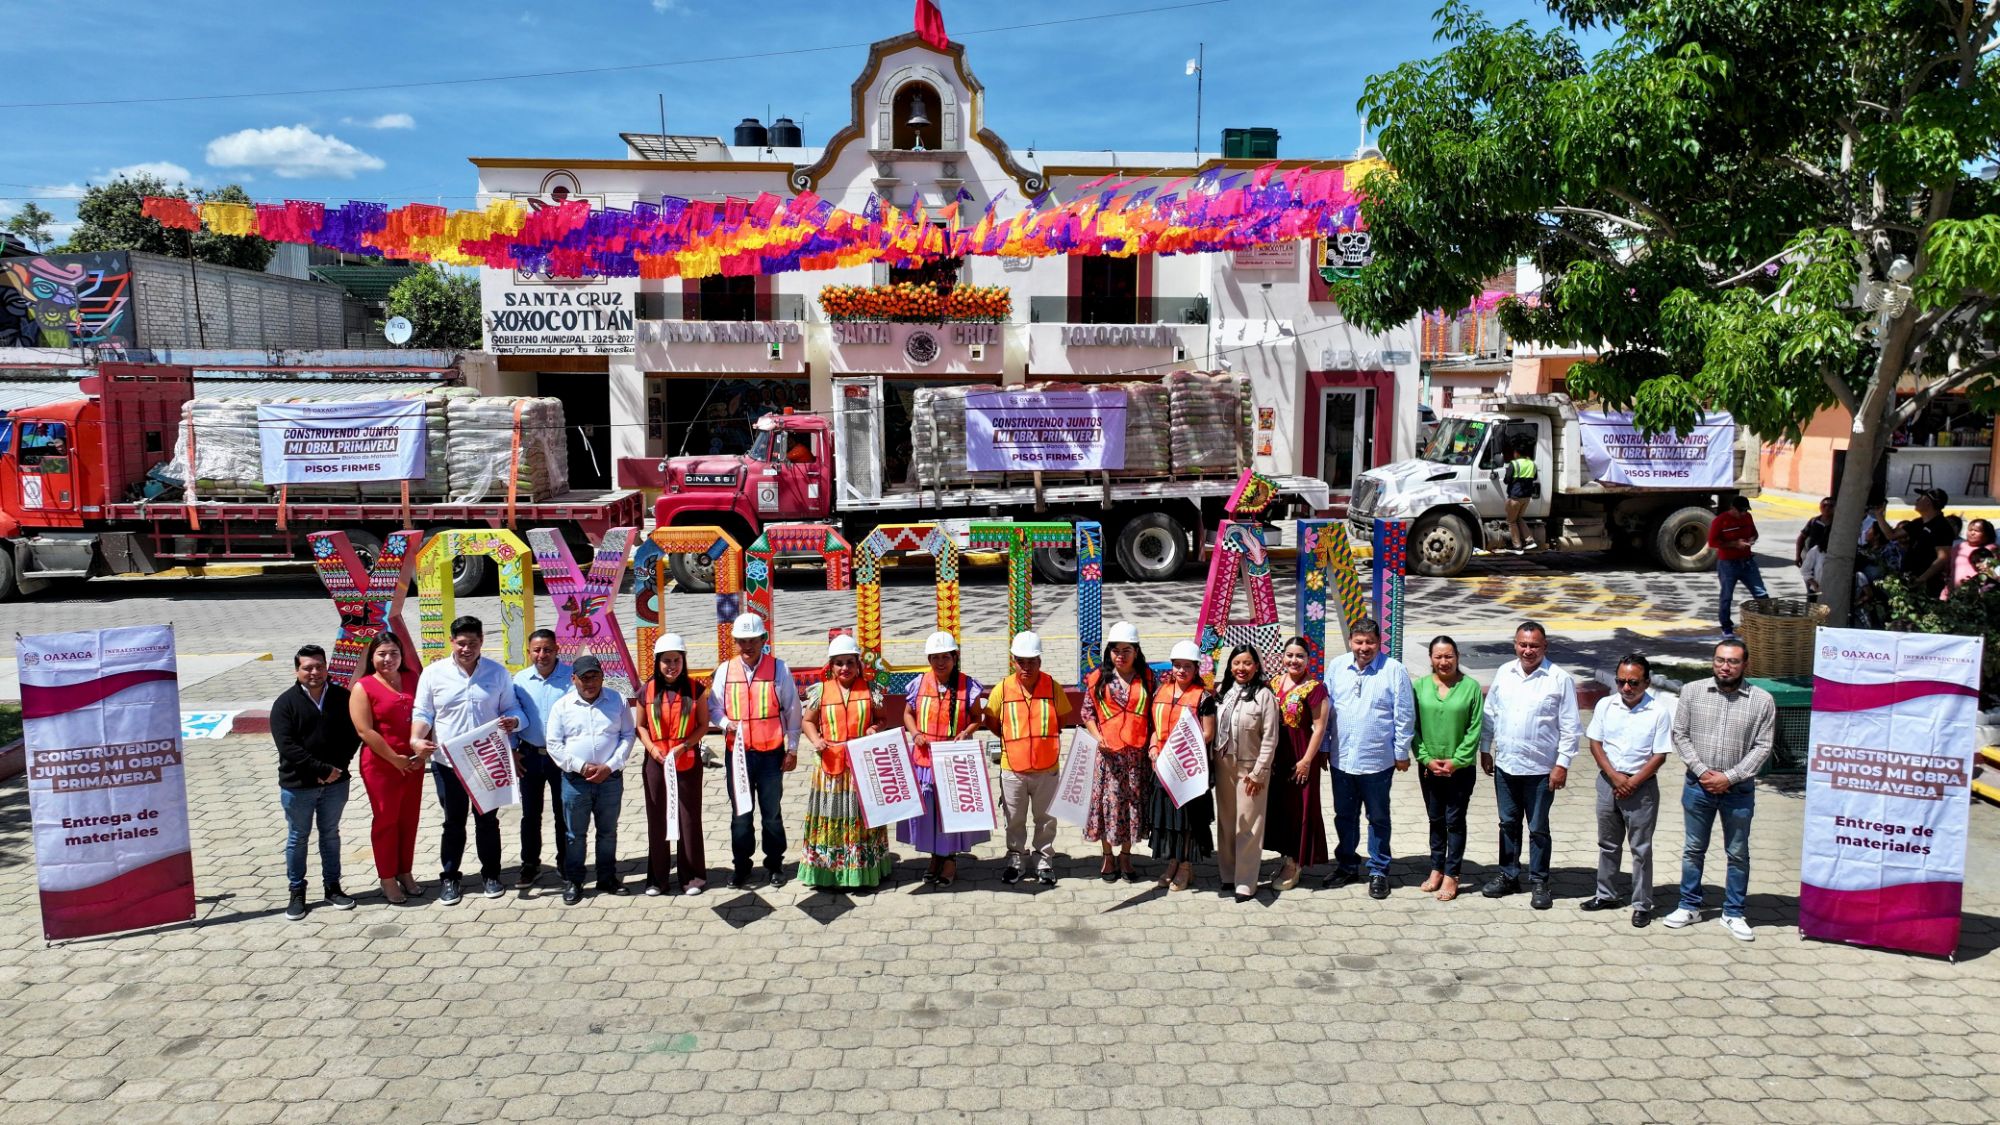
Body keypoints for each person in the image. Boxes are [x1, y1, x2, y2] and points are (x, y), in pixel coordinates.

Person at [1665, 638, 1776, 941]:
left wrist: (1729, 777)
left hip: (1738, 791)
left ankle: (1734, 913)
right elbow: (1680, 735)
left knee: (1738, 853)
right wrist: (1703, 772)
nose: (1725, 667)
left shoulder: (1762, 700)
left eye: (1733, 661)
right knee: (1693, 850)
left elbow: (1763, 746)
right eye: (1720, 660)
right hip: (1698, 786)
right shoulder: (1692, 691)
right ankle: (1689, 906)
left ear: (1745, 664)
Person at [409, 616, 525, 905]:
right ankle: (450, 877)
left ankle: (491, 875)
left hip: (486, 760)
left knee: (487, 821)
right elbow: (423, 712)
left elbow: (512, 708)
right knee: (453, 822)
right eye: (461, 643)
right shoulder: (433, 674)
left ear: (482, 641)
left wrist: (514, 721)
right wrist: (416, 739)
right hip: (447, 763)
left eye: (473, 643)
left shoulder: (497, 673)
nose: (467, 649)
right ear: (451, 642)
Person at [1479, 621, 1579, 910]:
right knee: (1508, 824)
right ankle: (1509, 875)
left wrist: (1562, 764)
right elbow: (1490, 714)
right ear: (1515, 645)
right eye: (1523, 644)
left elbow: (1571, 727)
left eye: (1534, 645)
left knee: (1538, 828)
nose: (1528, 650)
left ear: (1544, 646)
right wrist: (1485, 749)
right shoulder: (1504, 673)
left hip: (1540, 770)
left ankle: (1539, 881)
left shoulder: (1559, 679)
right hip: (1506, 766)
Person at [709, 613, 802, 890]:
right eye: (741, 641)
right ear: (735, 642)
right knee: (741, 814)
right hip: (737, 756)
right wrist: (725, 723)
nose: (747, 646)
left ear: (763, 639)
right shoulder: (725, 671)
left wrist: (792, 749)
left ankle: (775, 864)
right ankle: (741, 866)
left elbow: (793, 710)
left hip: (771, 754)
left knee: (771, 812)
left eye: (752, 640)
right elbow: (713, 707)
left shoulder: (779, 669)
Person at [1579, 654, 1673, 928]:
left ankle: (1642, 904)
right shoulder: (1605, 705)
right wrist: (1614, 776)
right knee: (1607, 843)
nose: (1626, 688)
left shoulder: (1658, 712)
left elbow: (1659, 755)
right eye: (1621, 682)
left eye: (1633, 682)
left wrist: (1632, 782)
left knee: (1640, 849)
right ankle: (1606, 894)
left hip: (1641, 787)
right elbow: (1595, 743)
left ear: (1646, 682)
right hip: (1608, 782)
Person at [1324, 620, 1415, 898]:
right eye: (1359, 642)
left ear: (1379, 642)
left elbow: (1404, 714)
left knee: (1378, 817)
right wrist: (1324, 747)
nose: (1364, 648)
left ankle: (1378, 870)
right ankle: (1347, 865)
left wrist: (1401, 752)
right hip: (1342, 758)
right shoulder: (1337, 666)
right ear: (1350, 641)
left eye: (1370, 642)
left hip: (1377, 761)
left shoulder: (1394, 670)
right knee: (1344, 816)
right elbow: (1326, 710)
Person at [270, 644, 360, 921]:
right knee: (298, 837)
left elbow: (353, 735)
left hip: (336, 782)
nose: (314, 672)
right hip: (298, 785)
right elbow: (287, 746)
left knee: (330, 834)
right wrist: (319, 769)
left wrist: (336, 769)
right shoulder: (285, 704)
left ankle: (332, 887)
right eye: (307, 667)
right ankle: (297, 891)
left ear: (326, 667)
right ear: (297, 671)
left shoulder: (342, 697)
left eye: (319, 666)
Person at [799, 636, 894, 891]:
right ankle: (828, 872)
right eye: (839, 663)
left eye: (850, 662)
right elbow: (807, 721)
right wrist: (816, 739)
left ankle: (861, 871)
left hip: (861, 766)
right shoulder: (821, 691)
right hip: (829, 767)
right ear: (831, 665)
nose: (845, 668)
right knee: (831, 815)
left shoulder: (871, 690)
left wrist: (875, 728)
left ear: (858, 664)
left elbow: (883, 719)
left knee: (860, 817)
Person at [899, 631, 989, 887]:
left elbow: (977, 718)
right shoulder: (919, 684)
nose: (940, 662)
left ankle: (949, 859)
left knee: (950, 811)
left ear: (954, 658)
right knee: (929, 813)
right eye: (935, 658)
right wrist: (915, 733)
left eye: (945, 657)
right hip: (925, 760)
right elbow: (908, 714)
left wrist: (966, 733)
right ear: (929, 659)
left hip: (952, 761)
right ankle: (934, 857)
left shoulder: (967, 686)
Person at [547, 655, 636, 904]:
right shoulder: (562, 706)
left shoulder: (616, 700)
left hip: (610, 779)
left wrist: (610, 766)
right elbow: (554, 744)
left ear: (602, 677)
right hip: (575, 781)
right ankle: (574, 881)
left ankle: (607, 878)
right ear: (573, 679)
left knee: (608, 832)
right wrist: (581, 767)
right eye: (584, 678)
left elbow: (628, 735)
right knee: (575, 834)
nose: (590, 682)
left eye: (594, 676)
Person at [985, 631, 1071, 887]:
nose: (1026, 666)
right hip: (1013, 769)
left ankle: (1044, 861)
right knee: (1014, 819)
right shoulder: (1002, 688)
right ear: (1013, 661)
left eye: (1032, 661)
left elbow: (1062, 720)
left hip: (1047, 768)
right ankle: (1016, 860)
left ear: (1040, 661)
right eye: (1021, 661)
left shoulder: (1052, 687)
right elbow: (991, 720)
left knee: (1046, 819)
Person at [349, 631, 425, 905]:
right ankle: (387, 878)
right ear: (372, 657)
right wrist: (394, 759)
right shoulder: (364, 687)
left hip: (413, 763)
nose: (388, 659)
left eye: (394, 653)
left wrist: (422, 753)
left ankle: (405, 871)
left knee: (409, 819)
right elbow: (364, 730)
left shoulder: (413, 678)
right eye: (381, 654)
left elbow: (427, 714)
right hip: (381, 765)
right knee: (386, 821)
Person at [1081, 621, 1154, 884]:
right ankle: (1107, 856)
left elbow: (1154, 713)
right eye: (1115, 650)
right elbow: (1087, 712)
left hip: (1136, 757)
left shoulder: (1147, 678)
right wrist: (1097, 736)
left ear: (1136, 651)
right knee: (1108, 806)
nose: (1120, 656)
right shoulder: (1098, 678)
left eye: (1126, 650)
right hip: (1108, 756)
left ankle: (1125, 855)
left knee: (1132, 806)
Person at [637, 633, 709, 896]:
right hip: (656, 764)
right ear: (657, 662)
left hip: (686, 762)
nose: (672, 666)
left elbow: (703, 725)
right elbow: (640, 726)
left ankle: (692, 877)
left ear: (683, 661)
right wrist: (652, 749)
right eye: (666, 661)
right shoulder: (646, 691)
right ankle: (657, 879)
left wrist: (685, 746)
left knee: (688, 818)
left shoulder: (696, 690)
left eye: (676, 660)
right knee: (657, 818)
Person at [1411, 636, 1482, 902]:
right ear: (1430, 658)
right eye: (1438, 656)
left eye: (1449, 656)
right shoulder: (1419, 686)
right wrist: (1425, 758)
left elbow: (1475, 729)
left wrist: (1456, 760)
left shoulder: (1470, 687)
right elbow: (1412, 727)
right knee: (1435, 819)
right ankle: (1436, 868)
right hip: (1428, 767)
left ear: (1457, 657)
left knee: (1455, 820)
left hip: (1460, 769)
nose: (1444, 661)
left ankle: (1453, 874)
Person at [1147, 640, 1217, 892]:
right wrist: (1153, 747)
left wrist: (1178, 751)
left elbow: (1207, 733)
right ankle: (1173, 862)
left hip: (1188, 768)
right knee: (1169, 818)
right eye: (1177, 665)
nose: (1181, 670)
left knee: (1187, 820)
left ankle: (1186, 866)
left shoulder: (1204, 697)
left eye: (1187, 666)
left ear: (1196, 668)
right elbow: (1156, 728)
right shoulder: (1160, 692)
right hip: (1163, 768)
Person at [1213, 645, 1280, 902]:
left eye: (1248, 663)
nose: (1242, 668)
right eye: (1237, 663)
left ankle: (1245, 882)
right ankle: (1228, 874)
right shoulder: (1223, 692)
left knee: (1249, 825)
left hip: (1250, 769)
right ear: (1230, 665)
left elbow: (1270, 738)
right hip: (1224, 765)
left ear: (1256, 666)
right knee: (1227, 822)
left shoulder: (1264, 696)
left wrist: (1259, 772)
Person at [1264, 636, 1331, 892]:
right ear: (1283, 657)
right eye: (1290, 655)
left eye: (1300, 656)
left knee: (1299, 809)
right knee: (1281, 807)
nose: (1294, 660)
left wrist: (1306, 760)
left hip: (1300, 757)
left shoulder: (1314, 688)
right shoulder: (1274, 683)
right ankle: (1286, 857)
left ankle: (1296, 863)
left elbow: (1319, 727)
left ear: (1308, 660)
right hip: (1277, 756)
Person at [510, 630, 571, 889]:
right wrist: (512, 750)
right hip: (530, 755)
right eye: (536, 650)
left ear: (557, 650)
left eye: (547, 649)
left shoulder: (571, 677)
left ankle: (566, 863)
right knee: (530, 815)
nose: (542, 655)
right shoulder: (520, 680)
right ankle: (530, 864)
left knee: (563, 813)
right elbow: (512, 713)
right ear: (529, 652)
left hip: (562, 757)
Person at [1708, 496, 1769, 637]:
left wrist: (1751, 540)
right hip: (1728, 564)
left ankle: (1767, 623)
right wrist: (1735, 544)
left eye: (1745, 510)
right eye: (1740, 511)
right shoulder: (1720, 520)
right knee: (1726, 596)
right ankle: (1726, 626)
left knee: (1761, 593)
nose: (1743, 513)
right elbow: (1713, 542)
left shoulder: (1747, 517)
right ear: (1732, 508)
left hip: (1747, 562)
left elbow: (1754, 533)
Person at [1903, 488, 1957, 598]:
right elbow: (1891, 535)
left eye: (1920, 498)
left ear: (1928, 502)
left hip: (1927, 583)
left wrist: (1922, 579)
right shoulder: (1918, 522)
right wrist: (1879, 514)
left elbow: (1943, 557)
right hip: (1909, 577)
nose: (1916, 500)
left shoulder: (1942, 527)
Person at [1502, 434, 1540, 551]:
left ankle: (1517, 546)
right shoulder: (1532, 464)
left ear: (1517, 453)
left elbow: (1506, 480)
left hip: (1515, 497)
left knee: (1511, 521)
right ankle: (1530, 541)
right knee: (1518, 518)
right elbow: (1534, 477)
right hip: (1526, 498)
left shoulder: (1514, 464)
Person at [1947, 518, 1997, 596]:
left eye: (1977, 531)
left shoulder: (1992, 549)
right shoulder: (1959, 547)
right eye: (1970, 530)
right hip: (1952, 594)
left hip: (1979, 595)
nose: (1972, 533)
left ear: (1986, 534)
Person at [1795, 496, 1833, 600]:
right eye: (1824, 505)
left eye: (1830, 506)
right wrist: (1798, 556)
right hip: (1811, 558)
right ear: (1820, 507)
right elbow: (1801, 538)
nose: (1827, 508)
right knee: (1812, 590)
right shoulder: (1814, 521)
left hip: (1827, 558)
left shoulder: (1837, 523)